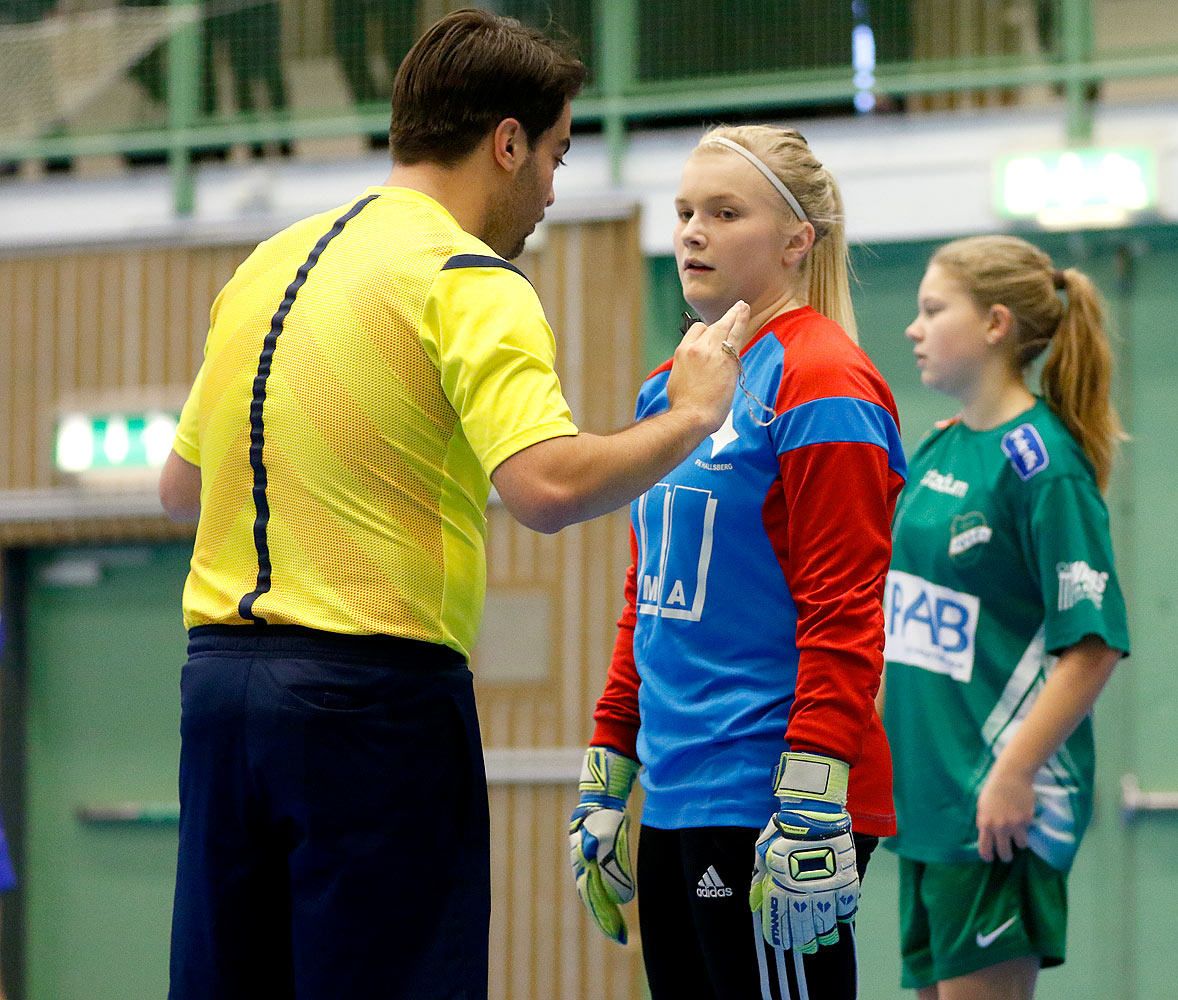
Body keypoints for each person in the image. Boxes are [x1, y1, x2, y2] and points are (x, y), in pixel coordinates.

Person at [155, 10, 751, 999]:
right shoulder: (467, 278)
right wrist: (690, 414)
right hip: (369, 707)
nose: (554, 189)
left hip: (218, 700)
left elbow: (181, 490)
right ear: (505, 142)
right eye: (556, 154)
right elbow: (547, 485)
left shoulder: (264, 267)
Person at [569, 124, 906, 1000]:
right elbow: (649, 599)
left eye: (724, 212)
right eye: (684, 211)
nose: (691, 231)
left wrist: (812, 797)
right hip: (679, 791)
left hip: (772, 793)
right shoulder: (672, 385)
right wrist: (609, 765)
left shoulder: (825, 379)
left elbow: (847, 610)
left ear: (798, 239)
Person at [882, 235, 1128, 999]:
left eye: (932, 310)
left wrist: (1015, 772)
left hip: (992, 803)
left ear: (994, 325)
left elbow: (1092, 645)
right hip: (923, 798)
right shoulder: (935, 448)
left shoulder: (1044, 466)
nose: (913, 329)